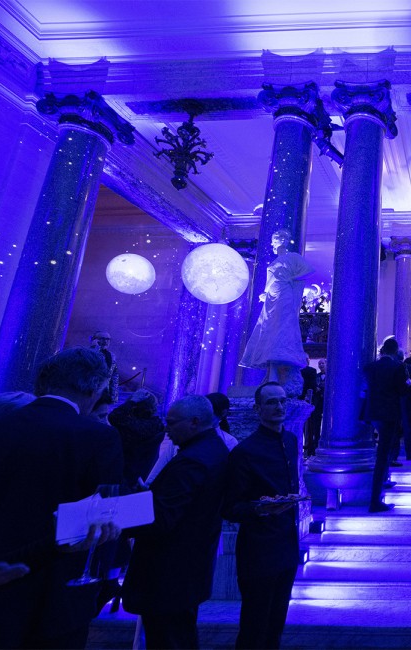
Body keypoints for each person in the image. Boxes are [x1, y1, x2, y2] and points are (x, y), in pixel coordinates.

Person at [0, 347, 124, 649]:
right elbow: (99, 515)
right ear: (95, 388)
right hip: (54, 596)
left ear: (43, 382)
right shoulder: (99, 438)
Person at [121, 395, 229, 649]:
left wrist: (116, 516)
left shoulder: (192, 460)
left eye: (171, 423)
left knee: (168, 639)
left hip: (169, 574)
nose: (166, 428)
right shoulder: (214, 448)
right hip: (189, 569)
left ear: (194, 422)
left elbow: (161, 518)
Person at [223, 382, 303, 649]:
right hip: (258, 550)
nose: (279, 407)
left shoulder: (291, 441)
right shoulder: (245, 452)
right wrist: (259, 508)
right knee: (254, 627)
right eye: (271, 402)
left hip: (287, 545)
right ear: (258, 409)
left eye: (282, 401)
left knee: (276, 625)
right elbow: (230, 507)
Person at [240, 229, 314, 388]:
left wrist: (291, 279)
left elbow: (309, 270)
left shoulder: (292, 257)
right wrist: (265, 293)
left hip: (284, 294)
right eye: (273, 239)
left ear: (283, 241)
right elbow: (271, 280)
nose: (272, 242)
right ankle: (270, 373)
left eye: (275, 239)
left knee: (280, 326)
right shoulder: (275, 261)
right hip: (272, 296)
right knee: (269, 327)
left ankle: (275, 373)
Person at [364, 337, 411, 512]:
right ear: (395, 351)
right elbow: (403, 391)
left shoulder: (370, 367)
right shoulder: (397, 367)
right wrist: (408, 383)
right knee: (383, 454)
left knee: (382, 453)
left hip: (373, 413)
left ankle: (380, 488)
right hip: (389, 414)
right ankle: (375, 499)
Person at [109, 388, 166, 492]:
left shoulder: (148, 426)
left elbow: (114, 417)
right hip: (140, 475)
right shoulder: (156, 425)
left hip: (129, 477)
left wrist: (132, 401)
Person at [90, 330, 120, 403]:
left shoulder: (112, 356)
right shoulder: (88, 352)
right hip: (89, 391)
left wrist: (113, 395)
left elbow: (114, 375)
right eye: (102, 338)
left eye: (108, 339)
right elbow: (93, 365)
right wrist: (95, 348)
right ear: (95, 340)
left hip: (104, 391)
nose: (106, 341)